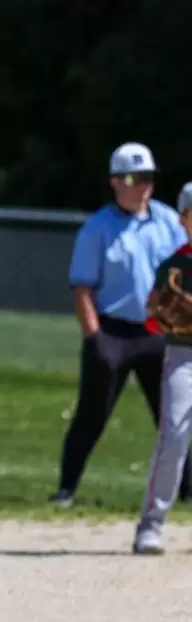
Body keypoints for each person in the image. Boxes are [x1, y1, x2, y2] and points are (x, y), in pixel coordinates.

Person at [51, 142, 192, 508]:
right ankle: (66, 489)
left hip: (158, 332)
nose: (142, 185)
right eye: (133, 178)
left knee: (174, 415)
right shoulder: (97, 229)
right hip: (112, 332)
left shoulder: (168, 223)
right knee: (93, 414)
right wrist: (94, 336)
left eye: (147, 177)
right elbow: (82, 288)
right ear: (115, 181)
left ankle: (187, 489)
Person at [132, 182, 192, 554]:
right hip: (183, 358)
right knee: (173, 436)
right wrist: (163, 315)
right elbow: (152, 319)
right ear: (184, 219)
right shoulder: (173, 267)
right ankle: (151, 526)